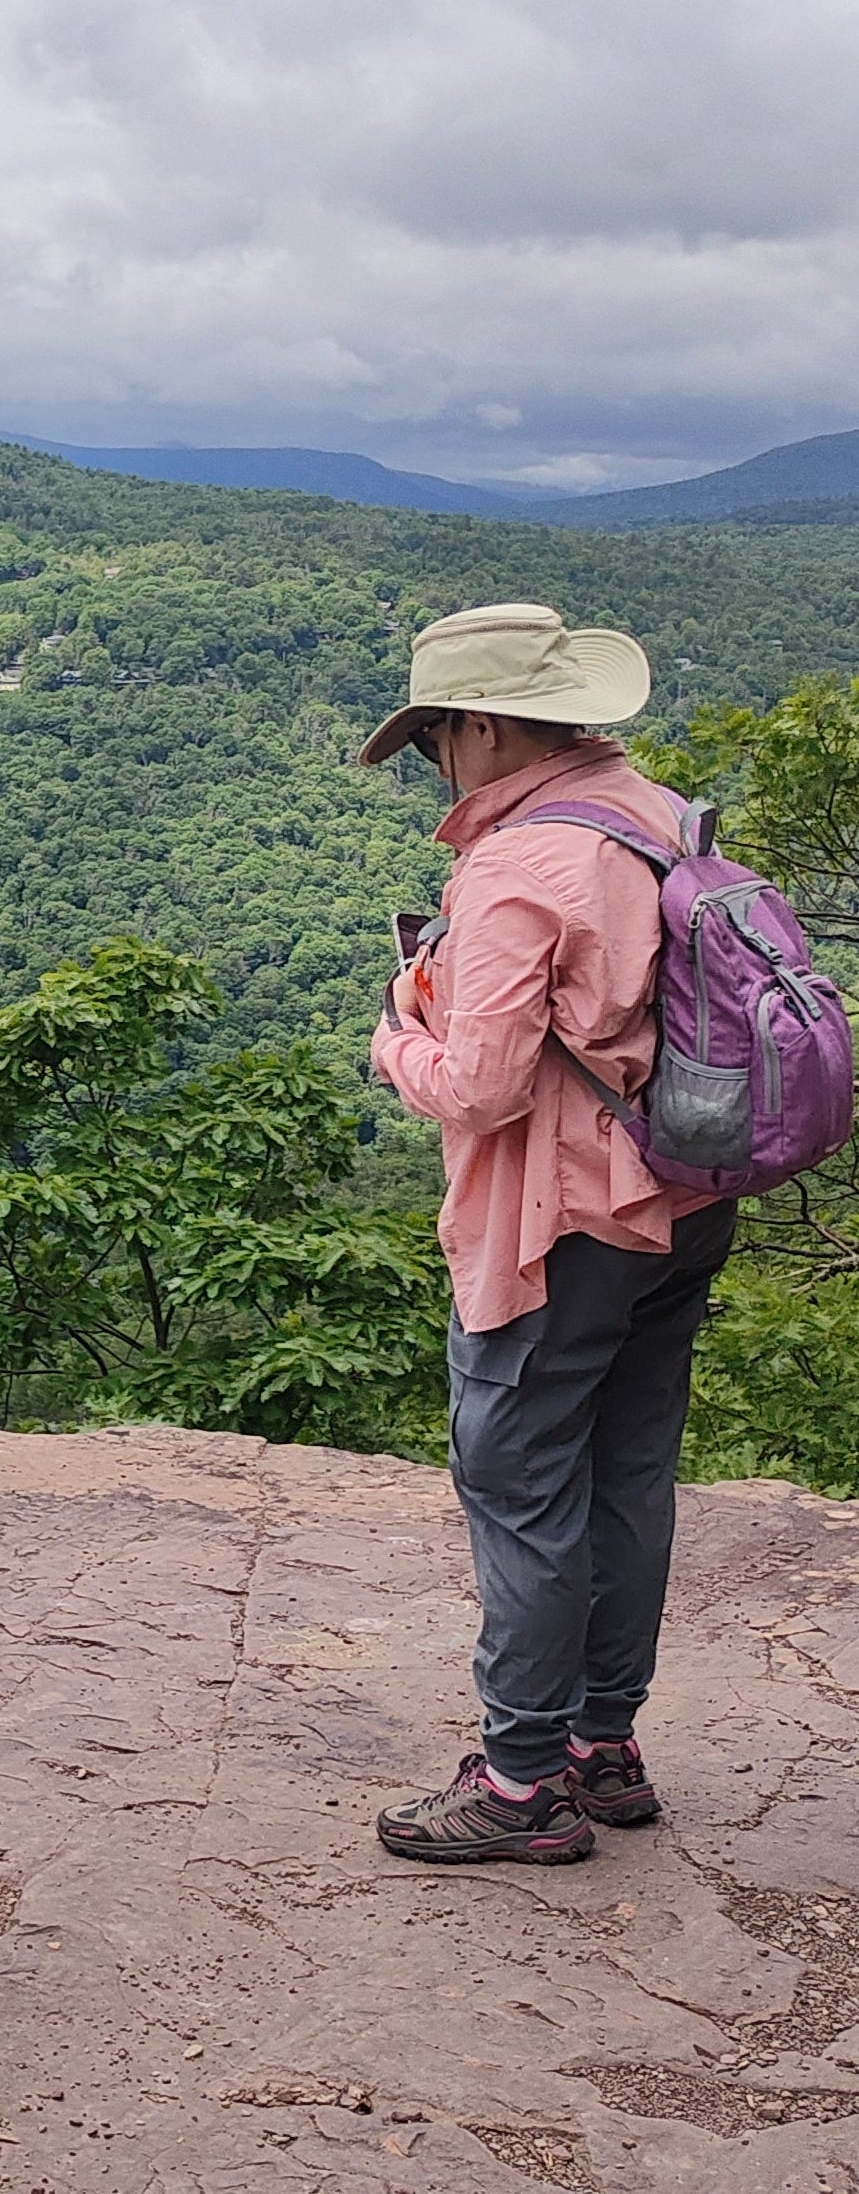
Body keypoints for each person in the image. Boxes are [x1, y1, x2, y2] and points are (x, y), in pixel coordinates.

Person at [361, 602, 735, 1866]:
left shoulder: (522, 864)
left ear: (481, 725)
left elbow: (479, 1086)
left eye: (434, 741)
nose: (437, 765)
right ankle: (603, 1748)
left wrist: (392, 1039)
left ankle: (520, 1784)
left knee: (521, 1484)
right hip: (687, 1194)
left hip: (561, 1220)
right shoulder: (659, 811)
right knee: (628, 1473)